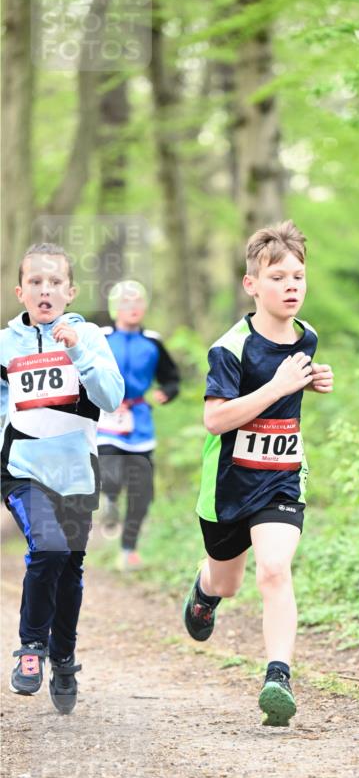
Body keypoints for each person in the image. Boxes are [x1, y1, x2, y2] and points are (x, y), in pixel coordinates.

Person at [183, 220, 333, 726]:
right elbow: (215, 418)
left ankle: (278, 677)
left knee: (273, 569)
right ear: (252, 285)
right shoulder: (230, 347)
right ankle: (204, 591)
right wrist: (278, 385)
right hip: (229, 485)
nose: (291, 286)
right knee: (227, 581)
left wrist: (311, 382)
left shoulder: (307, 336)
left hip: (282, 476)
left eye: (298, 276)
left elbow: (291, 385)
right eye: (278, 277)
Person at [0, 243, 124, 713]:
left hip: (76, 472)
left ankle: (65, 657)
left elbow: (112, 398)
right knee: (47, 545)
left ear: (70, 291)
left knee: (70, 568)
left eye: (55, 282)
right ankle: (31, 646)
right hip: (23, 470)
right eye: (36, 282)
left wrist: (78, 354)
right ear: (21, 290)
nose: (45, 289)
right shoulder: (5, 344)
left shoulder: (90, 337)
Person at [97, 279, 180, 570]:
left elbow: (172, 378)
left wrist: (166, 393)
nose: (132, 308)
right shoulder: (101, 338)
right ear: (114, 308)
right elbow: (81, 372)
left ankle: (128, 549)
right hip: (105, 419)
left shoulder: (153, 342)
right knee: (110, 473)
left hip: (139, 420)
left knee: (142, 491)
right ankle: (108, 500)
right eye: (125, 303)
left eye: (137, 302)